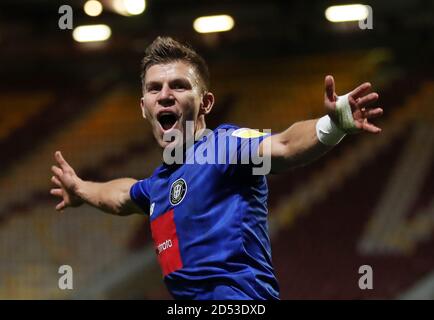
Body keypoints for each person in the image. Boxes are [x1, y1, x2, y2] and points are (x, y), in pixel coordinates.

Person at [50, 36, 383, 300]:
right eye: (155, 88)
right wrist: (80, 189)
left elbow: (283, 145)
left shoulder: (225, 147)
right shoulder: (160, 183)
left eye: (179, 85)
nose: (165, 95)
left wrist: (332, 125)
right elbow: (123, 195)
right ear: (144, 107)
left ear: (206, 103)